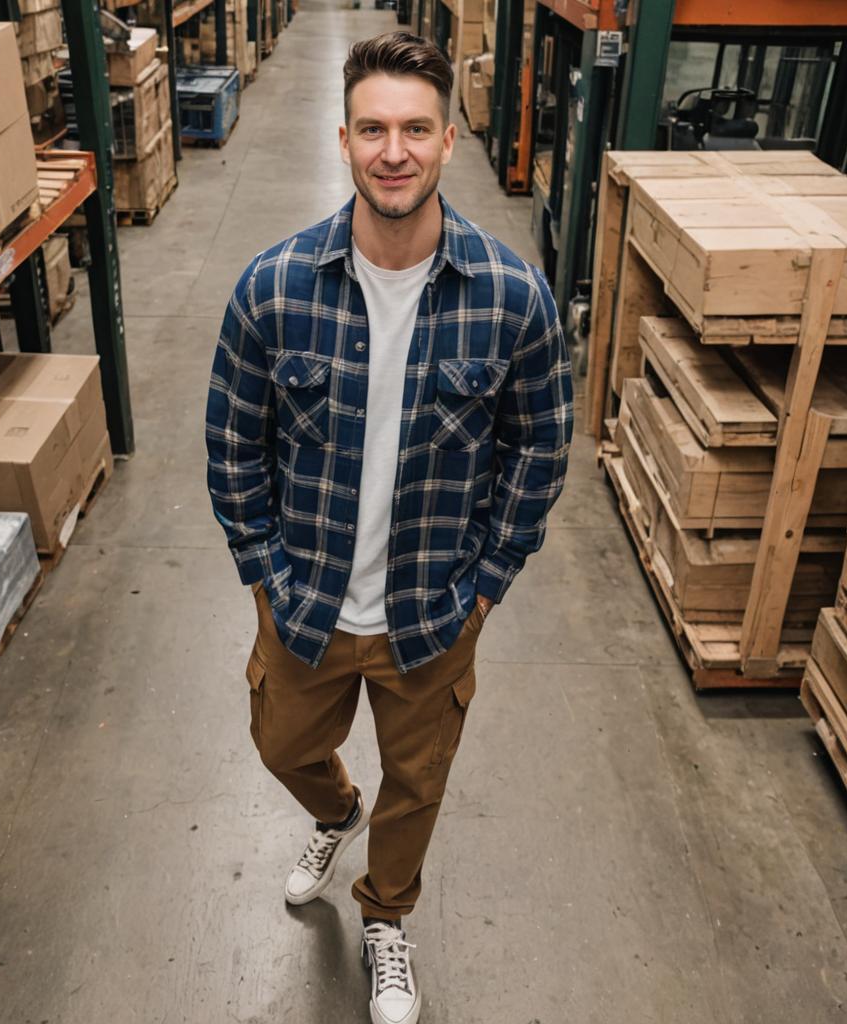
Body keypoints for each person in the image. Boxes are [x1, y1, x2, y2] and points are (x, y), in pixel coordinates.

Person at [206, 30, 572, 1024]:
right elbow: (233, 447)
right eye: (373, 128)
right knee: (280, 743)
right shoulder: (274, 289)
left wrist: (485, 586)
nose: (394, 150)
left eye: (415, 128)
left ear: (449, 138)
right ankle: (332, 810)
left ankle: (384, 916)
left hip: (432, 609)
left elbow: (540, 449)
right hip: (307, 601)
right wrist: (263, 580)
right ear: (343, 138)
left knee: (416, 784)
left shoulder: (510, 298)